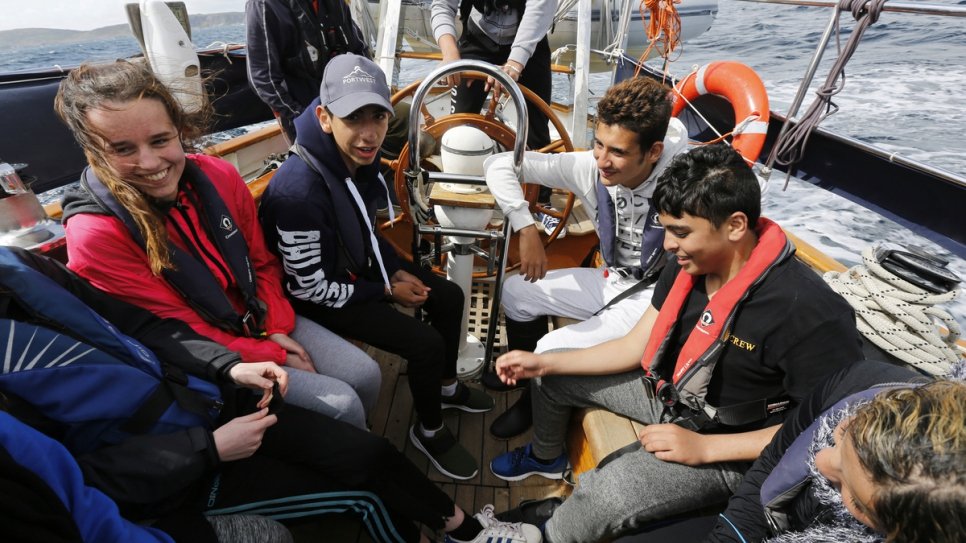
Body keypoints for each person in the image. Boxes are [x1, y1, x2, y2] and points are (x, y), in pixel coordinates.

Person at [0, 246, 542, 543]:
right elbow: (67, 485)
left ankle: (467, 532)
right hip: (177, 475)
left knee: (371, 453)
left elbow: (145, 328)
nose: (151, 160)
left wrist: (231, 367)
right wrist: (208, 451)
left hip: (210, 403)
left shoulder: (23, 268)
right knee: (368, 502)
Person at [489, 143, 865, 543]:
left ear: (736, 225)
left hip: (733, 446)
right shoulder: (688, 266)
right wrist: (542, 364)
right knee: (553, 370)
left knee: (608, 492)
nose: (667, 244)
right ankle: (548, 459)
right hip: (671, 396)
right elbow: (635, 346)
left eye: (680, 232)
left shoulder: (809, 312)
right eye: (666, 228)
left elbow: (825, 430)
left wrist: (704, 449)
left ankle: (543, 536)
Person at [58, 60, 380, 430]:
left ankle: (358, 443)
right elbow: (174, 329)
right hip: (202, 359)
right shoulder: (96, 236)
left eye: (160, 140)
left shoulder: (218, 176)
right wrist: (270, 352)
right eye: (123, 149)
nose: (150, 163)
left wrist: (275, 324)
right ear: (94, 152)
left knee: (365, 374)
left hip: (259, 319)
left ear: (179, 131)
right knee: (341, 406)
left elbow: (261, 262)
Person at [259, 53, 495, 481]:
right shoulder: (297, 195)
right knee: (423, 343)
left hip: (355, 271)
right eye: (354, 119)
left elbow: (364, 232)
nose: (369, 135)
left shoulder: (355, 162)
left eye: (378, 117)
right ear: (325, 118)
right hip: (317, 297)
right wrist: (386, 290)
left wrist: (394, 268)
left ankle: (445, 386)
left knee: (449, 295)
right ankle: (429, 428)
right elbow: (310, 289)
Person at [481, 76, 688, 438]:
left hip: (656, 299)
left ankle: (535, 412)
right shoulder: (589, 168)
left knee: (550, 347)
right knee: (515, 292)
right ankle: (527, 387)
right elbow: (499, 165)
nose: (603, 161)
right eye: (598, 145)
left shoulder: (687, 180)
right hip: (613, 280)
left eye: (618, 152)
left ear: (654, 152)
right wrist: (525, 226)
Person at [430, 0, 556, 210]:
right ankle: (454, 193)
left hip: (530, 45)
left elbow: (540, 8)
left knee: (537, 129)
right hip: (477, 40)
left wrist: (515, 63)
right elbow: (442, 5)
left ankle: (541, 203)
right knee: (457, 125)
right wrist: (451, 54)